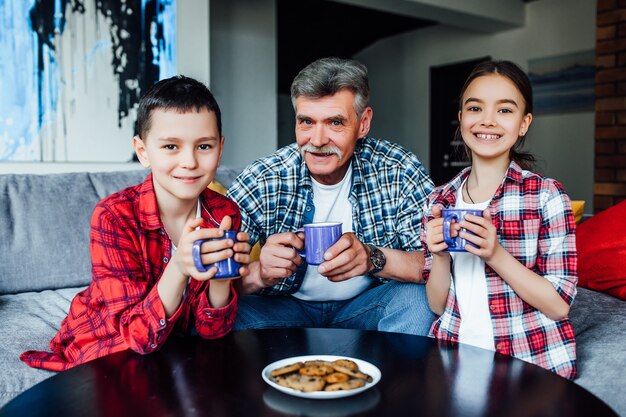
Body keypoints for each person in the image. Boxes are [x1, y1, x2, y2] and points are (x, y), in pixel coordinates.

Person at [21, 75, 251, 371]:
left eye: (203, 146)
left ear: (220, 149)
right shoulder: (113, 215)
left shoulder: (223, 211)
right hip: (110, 341)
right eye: (171, 147)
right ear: (143, 151)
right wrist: (179, 267)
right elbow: (137, 337)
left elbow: (212, 331)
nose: (190, 161)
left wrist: (221, 279)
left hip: (173, 343)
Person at [227, 57, 435, 335]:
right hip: (284, 308)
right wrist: (259, 274)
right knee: (222, 315)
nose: (317, 140)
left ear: (363, 123)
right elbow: (207, 284)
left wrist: (373, 258)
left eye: (335, 123)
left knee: (416, 300)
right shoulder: (265, 177)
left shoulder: (397, 168)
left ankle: (394, 379)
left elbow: (435, 262)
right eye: (306, 122)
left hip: (365, 306)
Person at [422, 60, 577, 378]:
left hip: (530, 365)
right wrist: (438, 257)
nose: (488, 121)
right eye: (475, 108)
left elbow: (559, 305)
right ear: (462, 118)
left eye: (505, 110)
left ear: (524, 122)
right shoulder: (439, 200)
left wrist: (495, 253)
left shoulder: (546, 196)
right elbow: (438, 306)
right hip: (455, 358)